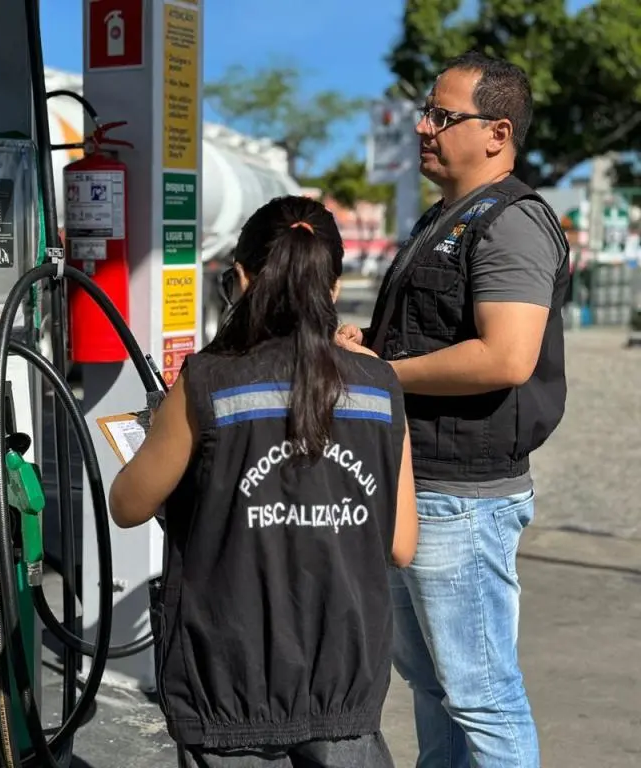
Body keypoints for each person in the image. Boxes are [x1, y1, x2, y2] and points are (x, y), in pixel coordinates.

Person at [109, 195, 418, 768]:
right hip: (344, 682)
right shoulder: (380, 386)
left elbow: (128, 504)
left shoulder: (208, 381)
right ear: (333, 287)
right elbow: (401, 544)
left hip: (230, 682)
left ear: (242, 278)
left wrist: (164, 435)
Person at [337, 51, 570, 768]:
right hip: (418, 483)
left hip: (463, 498)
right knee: (435, 687)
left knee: (481, 695)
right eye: (425, 113)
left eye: (442, 115)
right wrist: (369, 345)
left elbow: (506, 357)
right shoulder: (445, 217)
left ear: (497, 133)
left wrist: (383, 372)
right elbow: (432, 335)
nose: (423, 127)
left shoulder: (511, 222)